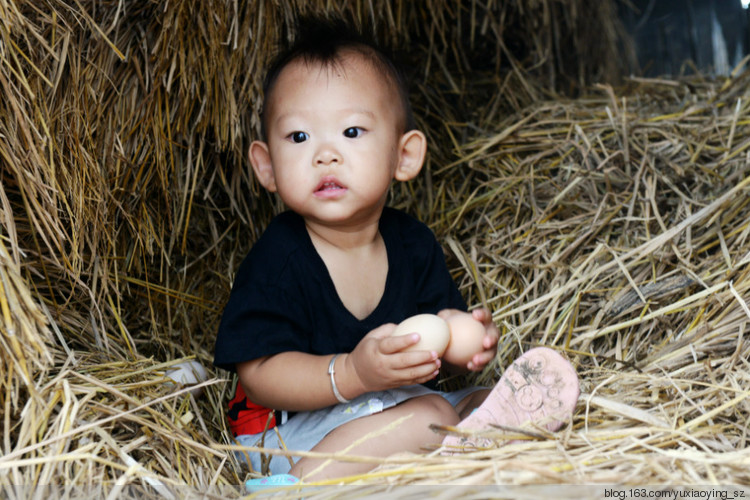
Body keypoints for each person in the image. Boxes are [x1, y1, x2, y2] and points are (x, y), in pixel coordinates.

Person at [213, 16, 579, 490]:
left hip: (384, 406)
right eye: (300, 137)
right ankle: (296, 489)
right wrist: (353, 372)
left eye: (352, 132)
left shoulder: (412, 243)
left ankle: (464, 447)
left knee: (480, 400)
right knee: (429, 413)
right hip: (286, 434)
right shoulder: (279, 258)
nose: (325, 154)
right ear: (266, 166)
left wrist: (465, 342)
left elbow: (435, 344)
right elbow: (260, 375)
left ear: (403, 157)